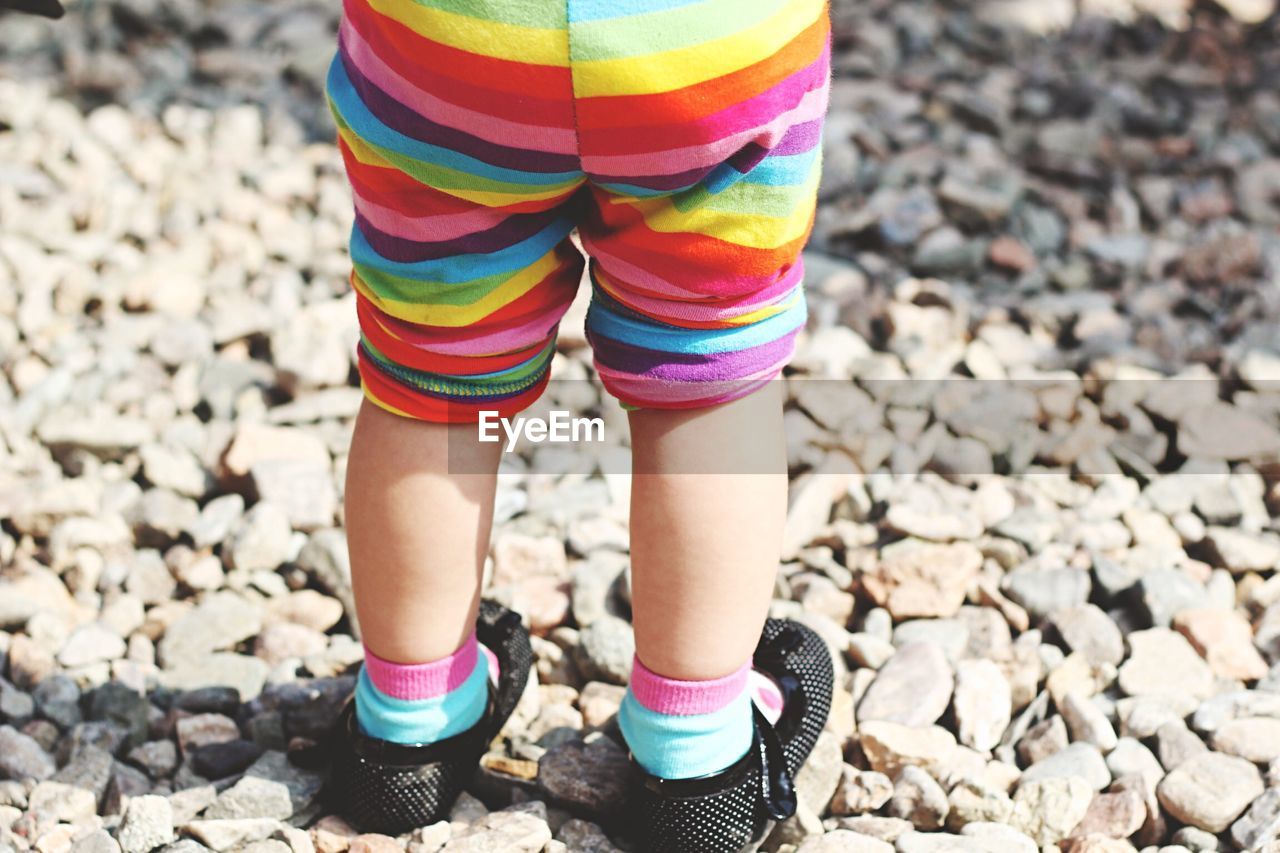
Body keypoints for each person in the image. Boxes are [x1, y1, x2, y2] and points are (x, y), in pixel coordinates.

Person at [316, 1, 835, 849]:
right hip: (699, 48)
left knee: (436, 373)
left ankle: (406, 727)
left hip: (456, 47)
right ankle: (701, 757)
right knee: (706, 375)